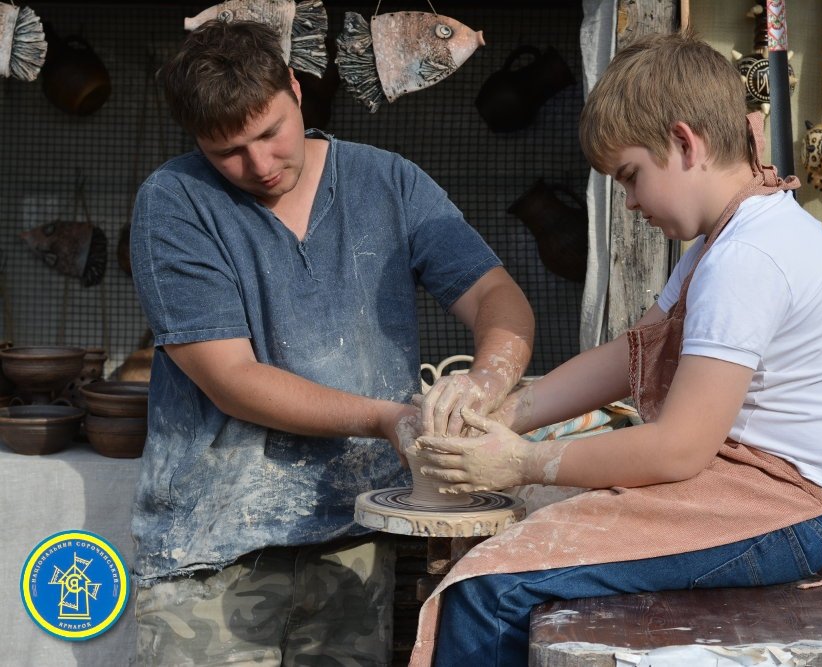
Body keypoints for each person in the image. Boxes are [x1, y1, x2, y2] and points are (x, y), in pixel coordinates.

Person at [410, 28, 822, 666]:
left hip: (789, 512)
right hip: (755, 487)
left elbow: (677, 449)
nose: (631, 202)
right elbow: (627, 357)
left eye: (631, 177)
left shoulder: (748, 256)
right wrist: (503, 414)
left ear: (685, 143)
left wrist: (523, 463)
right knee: (530, 520)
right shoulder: (726, 239)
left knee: (489, 589)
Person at [128, 19, 534, 667]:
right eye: (227, 151)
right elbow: (230, 376)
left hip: (354, 536)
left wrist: (484, 384)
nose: (258, 165)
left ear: (295, 87)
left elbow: (496, 298)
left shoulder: (388, 183)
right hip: (214, 545)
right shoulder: (175, 202)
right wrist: (388, 418)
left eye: (269, 133)